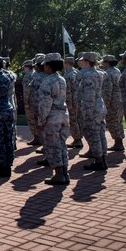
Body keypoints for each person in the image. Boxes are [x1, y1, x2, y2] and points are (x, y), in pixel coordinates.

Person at [38, 53, 70, 185]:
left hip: (52, 117)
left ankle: (58, 174)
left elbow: (46, 103)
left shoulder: (47, 81)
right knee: (62, 145)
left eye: (45, 64)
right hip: (63, 115)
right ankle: (64, 172)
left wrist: (41, 119)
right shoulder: (61, 79)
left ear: (49, 66)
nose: (43, 67)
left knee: (53, 145)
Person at [77, 52, 108, 171]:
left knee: (93, 134)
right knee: (100, 133)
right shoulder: (99, 73)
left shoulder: (88, 75)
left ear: (87, 61)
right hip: (99, 106)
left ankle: (99, 161)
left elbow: (89, 96)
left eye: (82, 60)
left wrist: (87, 113)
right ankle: (103, 159)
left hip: (92, 107)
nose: (81, 62)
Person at [101, 55, 124, 152]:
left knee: (112, 121)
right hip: (119, 99)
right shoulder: (117, 71)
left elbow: (107, 90)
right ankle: (119, 142)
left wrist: (105, 104)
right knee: (118, 120)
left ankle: (118, 142)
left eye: (104, 62)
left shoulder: (107, 73)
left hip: (112, 101)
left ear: (107, 62)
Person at [25, 55, 46, 148]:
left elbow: (27, 90)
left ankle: (43, 142)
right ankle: (38, 139)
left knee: (37, 122)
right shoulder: (48, 75)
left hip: (36, 103)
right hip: (43, 104)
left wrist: (26, 102)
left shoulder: (36, 76)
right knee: (41, 123)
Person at [63, 57, 82, 148]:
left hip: (72, 100)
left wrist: (69, 103)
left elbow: (68, 91)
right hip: (78, 99)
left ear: (67, 63)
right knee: (77, 119)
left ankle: (77, 140)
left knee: (73, 120)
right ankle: (78, 138)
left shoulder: (68, 75)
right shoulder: (76, 72)